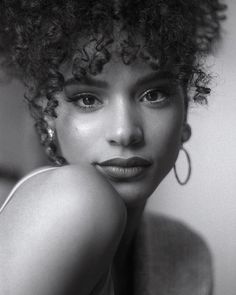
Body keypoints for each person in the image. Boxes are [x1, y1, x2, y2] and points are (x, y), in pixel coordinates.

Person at [0, 1, 226, 294]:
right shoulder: (71, 200)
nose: (125, 131)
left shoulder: (184, 252)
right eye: (87, 99)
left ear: (184, 111)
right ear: (48, 114)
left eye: (153, 94)